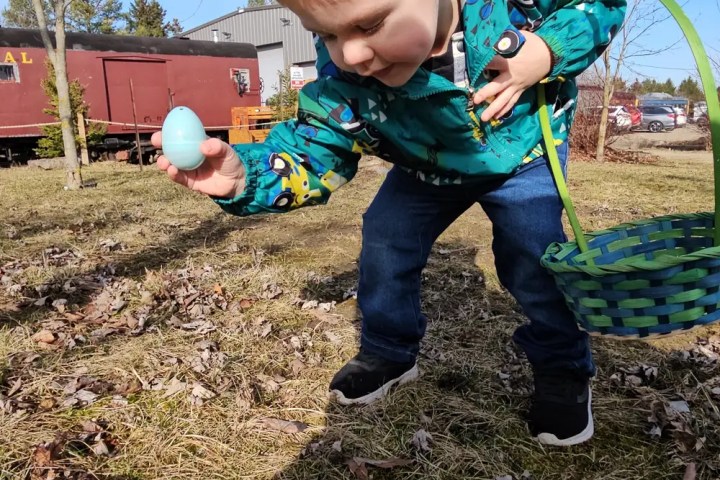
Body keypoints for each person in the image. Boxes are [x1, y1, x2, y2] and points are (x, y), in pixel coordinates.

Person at [152, 0, 626, 447]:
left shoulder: (515, 7)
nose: (352, 53)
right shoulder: (344, 77)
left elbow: (598, 5)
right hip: (426, 170)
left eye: (372, 24)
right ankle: (389, 351)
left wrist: (548, 49)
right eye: (326, 34)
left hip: (523, 155)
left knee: (534, 259)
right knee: (387, 237)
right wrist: (244, 177)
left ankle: (563, 367)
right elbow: (311, 151)